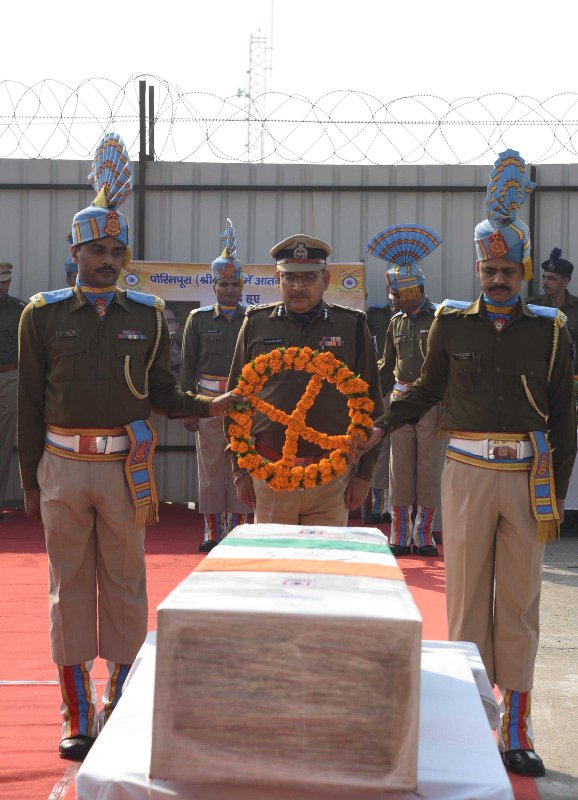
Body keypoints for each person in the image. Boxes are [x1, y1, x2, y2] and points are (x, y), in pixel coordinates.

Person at [17, 133, 239, 762]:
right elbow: (30, 401)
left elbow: (162, 388)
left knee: (125, 583)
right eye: (96, 249)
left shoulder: (146, 313)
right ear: (74, 252)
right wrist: (31, 482)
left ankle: (116, 701)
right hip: (61, 465)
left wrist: (207, 407)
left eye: (117, 250)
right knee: (68, 587)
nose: (107, 259)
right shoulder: (43, 314)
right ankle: (76, 712)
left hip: (125, 468)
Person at [356, 150, 576, 777]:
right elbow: (424, 391)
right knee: (466, 602)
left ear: (524, 268)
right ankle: (470, 721)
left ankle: (517, 725)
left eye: (508, 269)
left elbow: (563, 416)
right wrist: (379, 428)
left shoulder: (552, 329)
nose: (498, 278)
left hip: (529, 479)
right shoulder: (450, 324)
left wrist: (556, 491)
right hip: (468, 474)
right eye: (489, 267)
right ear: (476, 267)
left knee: (521, 604)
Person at [227, 233, 384, 525]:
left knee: (324, 567)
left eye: (308, 278)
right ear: (278, 279)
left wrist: (364, 477)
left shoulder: (351, 325)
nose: (298, 287)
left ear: (325, 280)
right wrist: (240, 471)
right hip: (270, 470)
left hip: (333, 476)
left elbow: (373, 405)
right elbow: (235, 402)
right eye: (290, 278)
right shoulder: (256, 324)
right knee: (275, 567)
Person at [365, 224, 445, 556]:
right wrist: (371, 402)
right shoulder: (395, 322)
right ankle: (399, 533)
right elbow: (386, 365)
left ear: (416, 289)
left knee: (428, 468)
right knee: (399, 468)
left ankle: (422, 533)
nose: (393, 298)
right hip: (399, 399)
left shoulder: (441, 318)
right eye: (393, 292)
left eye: (398, 293)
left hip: (431, 403)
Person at [181, 219, 250, 551]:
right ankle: (211, 531)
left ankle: (236, 531)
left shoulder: (254, 319)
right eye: (224, 285)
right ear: (213, 287)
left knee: (242, 465)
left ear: (242, 286)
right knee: (210, 469)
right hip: (208, 400)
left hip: (243, 403)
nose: (230, 290)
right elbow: (188, 365)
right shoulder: (198, 319)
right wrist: (187, 406)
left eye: (235, 284)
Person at [0, 263, 26, 516]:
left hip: (9, 377)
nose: (1, 286)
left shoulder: (20, 311)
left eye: (5, 281)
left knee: (3, 441)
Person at [527, 248, 578, 371]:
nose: (545, 282)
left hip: (570, 373)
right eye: (544, 277)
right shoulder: (532, 306)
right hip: (538, 372)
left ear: (565, 281)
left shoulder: (576, 308)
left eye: (551, 278)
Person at [365, 302, 392, 523]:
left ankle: (401, 509)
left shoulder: (429, 317)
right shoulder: (375, 316)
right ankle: (379, 506)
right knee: (380, 451)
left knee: (406, 455)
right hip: (382, 390)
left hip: (411, 395)